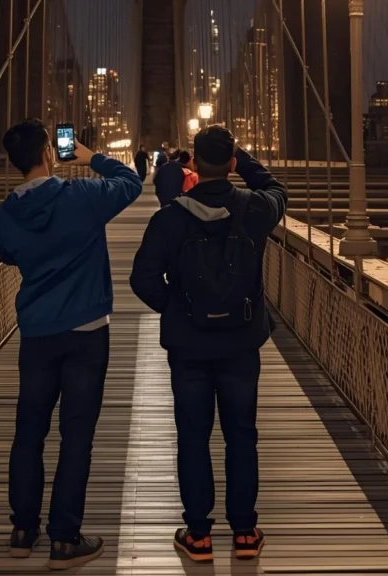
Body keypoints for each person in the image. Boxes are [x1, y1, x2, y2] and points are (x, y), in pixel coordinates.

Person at [129, 125, 287, 563]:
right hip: (240, 344)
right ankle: (244, 534)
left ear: (192, 164)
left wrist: (178, 310)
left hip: (190, 349)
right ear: (233, 164)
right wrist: (245, 160)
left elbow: (141, 279)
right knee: (242, 437)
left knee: (193, 438)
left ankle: (198, 535)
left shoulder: (170, 218)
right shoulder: (255, 208)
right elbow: (276, 188)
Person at [0, 118, 143, 570]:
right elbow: (131, 181)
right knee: (76, 436)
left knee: (29, 431)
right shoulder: (81, 197)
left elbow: (8, 255)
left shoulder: (4, 214)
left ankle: (22, 530)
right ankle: (64, 539)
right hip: (86, 332)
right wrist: (88, 155)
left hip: (36, 333)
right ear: (48, 154)